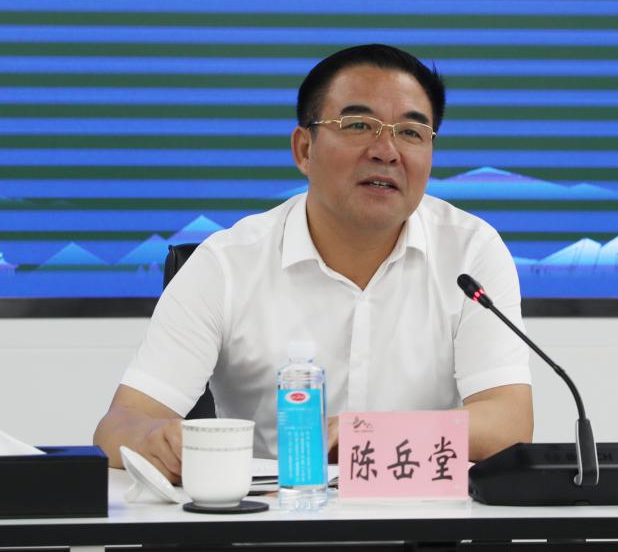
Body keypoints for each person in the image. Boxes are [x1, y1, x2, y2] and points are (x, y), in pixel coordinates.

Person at [94, 44, 533, 483]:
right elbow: (118, 426)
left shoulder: (470, 253)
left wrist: (366, 437)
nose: (386, 151)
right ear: (304, 149)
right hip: (272, 513)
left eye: (411, 132)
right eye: (358, 125)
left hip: (423, 515)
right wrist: (155, 439)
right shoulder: (226, 265)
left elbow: (508, 423)